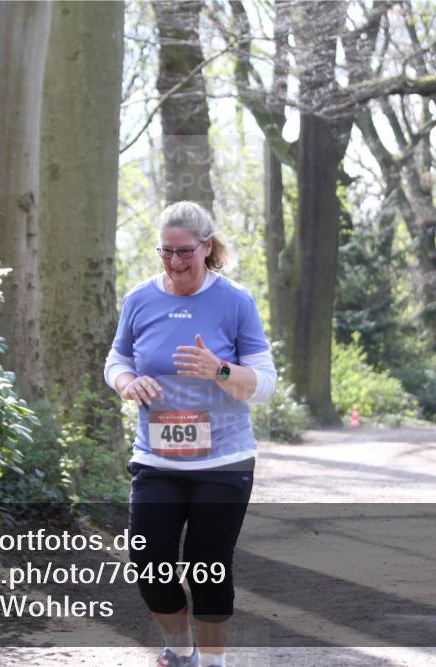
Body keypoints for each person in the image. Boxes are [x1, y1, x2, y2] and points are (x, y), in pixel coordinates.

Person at [104, 201, 276, 667]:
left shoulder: (235, 300)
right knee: (147, 561)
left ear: (206, 247)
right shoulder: (140, 299)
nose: (176, 262)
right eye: (166, 252)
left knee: (208, 566)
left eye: (185, 252)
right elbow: (116, 358)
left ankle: (214, 661)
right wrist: (127, 381)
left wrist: (219, 369)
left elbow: (264, 384)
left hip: (223, 461)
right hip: (157, 459)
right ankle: (180, 649)